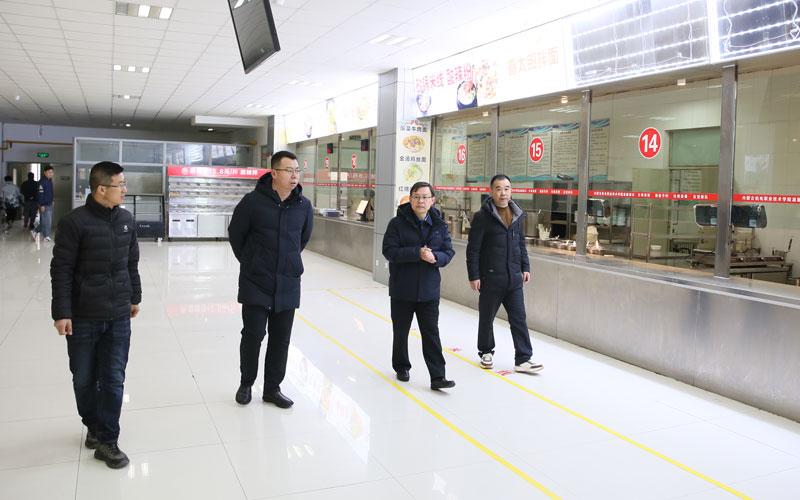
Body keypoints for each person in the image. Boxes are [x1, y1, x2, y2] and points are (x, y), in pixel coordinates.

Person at [51, 161, 141, 469]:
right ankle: (92, 423)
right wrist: (62, 312)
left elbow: (131, 263)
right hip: (83, 315)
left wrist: (134, 297)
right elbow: (61, 269)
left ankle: (108, 440)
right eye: (120, 185)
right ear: (101, 189)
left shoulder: (126, 220)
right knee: (84, 378)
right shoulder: (74, 223)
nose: (125, 190)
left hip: (118, 314)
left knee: (114, 377)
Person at [228, 150, 313, 408]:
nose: (294, 176)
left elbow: (303, 239)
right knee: (252, 335)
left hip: (288, 283)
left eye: (297, 171)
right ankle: (246, 383)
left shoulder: (303, 205)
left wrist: (288, 261)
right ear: (274, 173)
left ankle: (272, 389)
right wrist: (252, 261)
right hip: (256, 281)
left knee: (281, 340)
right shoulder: (252, 202)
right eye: (289, 171)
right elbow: (236, 234)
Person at [382, 182, 456, 390]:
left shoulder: (440, 225)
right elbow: (389, 251)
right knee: (401, 331)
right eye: (416, 196)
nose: (420, 201)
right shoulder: (397, 224)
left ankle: (438, 376)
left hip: (429, 290)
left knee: (431, 333)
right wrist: (417, 253)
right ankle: (401, 366)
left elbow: (448, 252)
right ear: (410, 199)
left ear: (433, 200)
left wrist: (436, 258)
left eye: (425, 197)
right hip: (402, 288)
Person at [466, 174, 543, 373]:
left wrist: (525, 267)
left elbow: (520, 244)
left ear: (511, 191)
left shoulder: (517, 214)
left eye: (507, 188)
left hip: (514, 278)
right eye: (499, 188)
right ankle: (486, 351)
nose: (503, 193)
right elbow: (473, 249)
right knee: (487, 318)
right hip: (491, 277)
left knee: (519, 319)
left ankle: (523, 358)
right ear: (491, 191)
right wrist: (474, 276)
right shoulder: (482, 217)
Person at [33, 165, 55, 241]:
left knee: (45, 221)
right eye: (49, 172)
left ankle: (35, 231)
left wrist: (52, 200)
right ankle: (46, 236)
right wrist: (42, 204)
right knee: (47, 221)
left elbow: (51, 192)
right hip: (44, 204)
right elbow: (40, 194)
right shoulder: (42, 182)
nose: (51, 174)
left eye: (52, 172)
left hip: (49, 203)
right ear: (44, 172)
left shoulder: (50, 181)